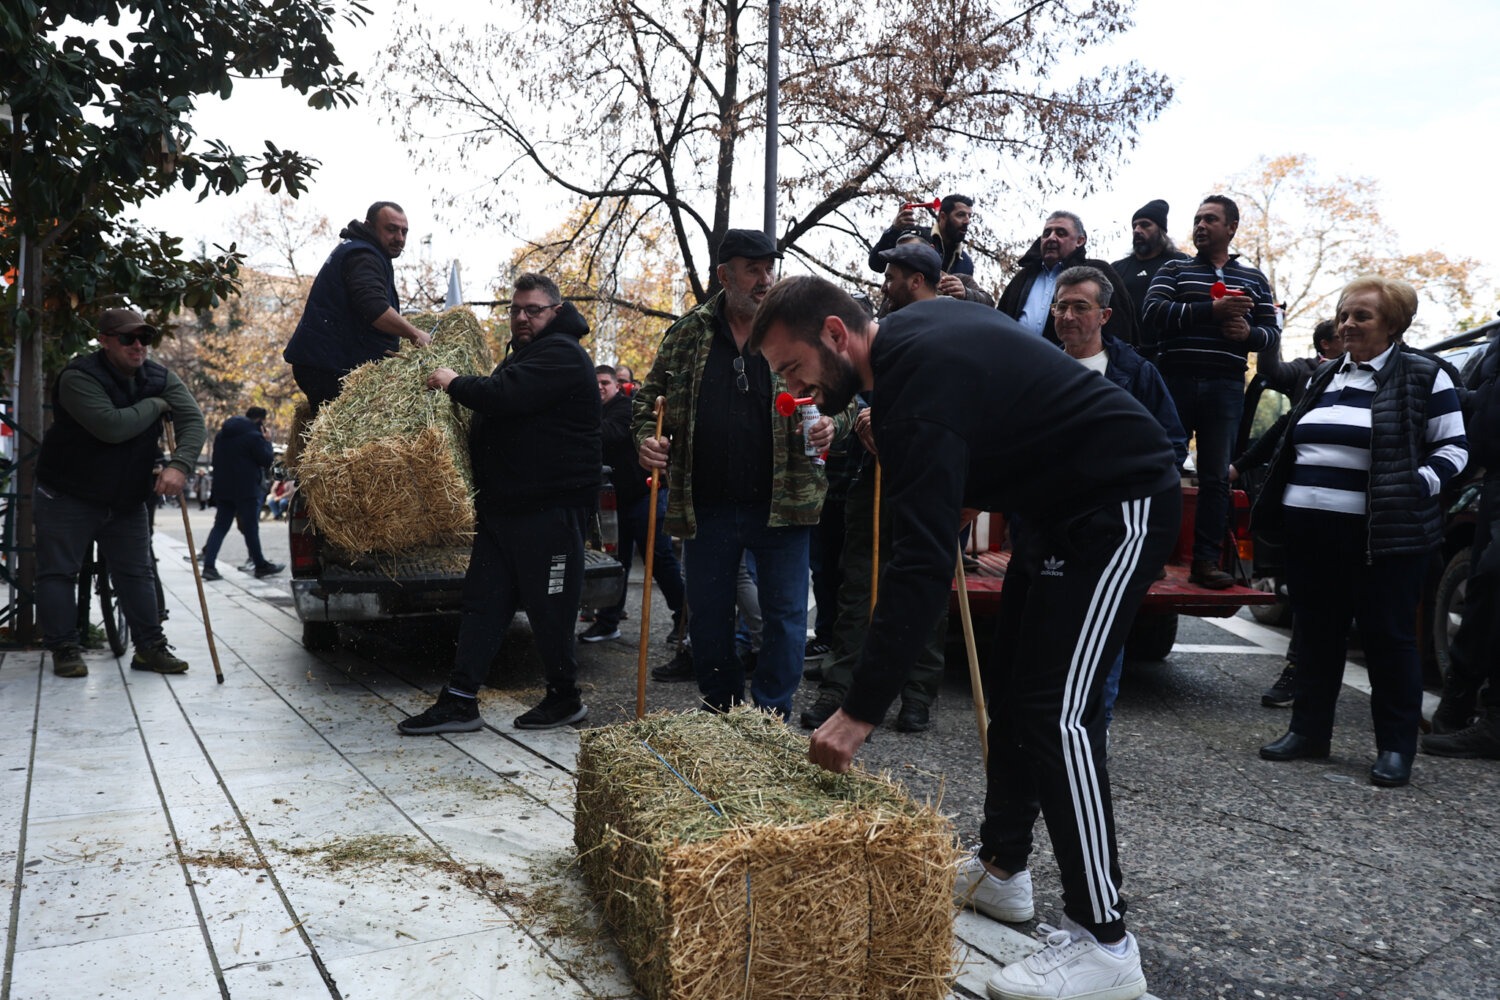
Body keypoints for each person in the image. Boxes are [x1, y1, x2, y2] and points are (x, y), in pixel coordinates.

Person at [751, 276, 1180, 1000]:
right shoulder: (914, 342)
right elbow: (1000, 409)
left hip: (1120, 500)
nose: (791, 386)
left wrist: (859, 711)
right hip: (1055, 509)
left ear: (834, 334)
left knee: (1058, 714)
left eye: (792, 368)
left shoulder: (913, 380)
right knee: (1016, 699)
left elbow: (917, 569)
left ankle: (1105, 944)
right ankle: (1003, 870)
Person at [1253, 276, 1467, 788]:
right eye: (1344, 314)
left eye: (1361, 316)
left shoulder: (1424, 374)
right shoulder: (1326, 375)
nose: (1347, 323)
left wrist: (1414, 484)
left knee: (1388, 639)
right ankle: (1308, 732)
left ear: (1393, 324)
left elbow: (1454, 449)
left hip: (1383, 535)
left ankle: (1395, 747)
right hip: (1311, 532)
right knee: (1316, 633)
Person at [634, 228, 843, 718]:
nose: (764, 278)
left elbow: (844, 398)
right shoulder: (686, 335)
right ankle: (722, 714)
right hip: (705, 506)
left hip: (784, 504)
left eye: (769, 267)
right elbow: (648, 403)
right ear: (724, 275)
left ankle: (771, 718)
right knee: (707, 620)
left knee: (787, 621)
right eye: (752, 269)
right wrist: (646, 439)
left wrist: (835, 423)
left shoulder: (800, 332)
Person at [399, 273, 602, 733]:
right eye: (516, 310)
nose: (523, 317)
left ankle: (564, 699)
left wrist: (452, 382)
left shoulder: (563, 354)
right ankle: (459, 700)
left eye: (533, 310)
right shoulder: (528, 353)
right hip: (506, 508)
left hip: (549, 509)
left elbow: (503, 397)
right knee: (483, 604)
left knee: (551, 609)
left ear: (556, 311)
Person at [802, 243, 955, 734]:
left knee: (925, 582)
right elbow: (855, 387)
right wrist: (865, 414)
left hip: (930, 473)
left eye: (893, 275)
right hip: (874, 472)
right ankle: (840, 685)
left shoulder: (954, 325)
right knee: (858, 581)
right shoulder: (879, 332)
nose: (885, 283)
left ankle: (917, 692)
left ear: (917, 280)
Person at [1050, 265, 1188, 730]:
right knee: (1045, 638)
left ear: (1105, 314)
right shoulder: (1037, 366)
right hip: (1048, 527)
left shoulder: (1136, 373)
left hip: (1113, 528)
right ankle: (1044, 739)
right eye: (1060, 306)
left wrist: (1117, 477)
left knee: (1102, 638)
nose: (1067, 316)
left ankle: (1092, 737)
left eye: (1080, 307)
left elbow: (1171, 445)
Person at [33, 308, 207, 677]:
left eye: (145, 338)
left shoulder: (160, 375)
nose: (139, 345)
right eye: (129, 338)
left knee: (136, 573)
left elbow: (192, 420)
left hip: (126, 495)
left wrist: (180, 465)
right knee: (58, 572)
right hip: (68, 492)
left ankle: (149, 648)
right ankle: (64, 648)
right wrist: (156, 405)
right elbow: (112, 426)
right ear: (106, 340)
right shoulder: (78, 377)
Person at [1144, 195, 1279, 589]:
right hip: (1175, 381)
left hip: (1225, 387)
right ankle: (1151, 558)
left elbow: (1272, 334)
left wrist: (1248, 333)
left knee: (1216, 477)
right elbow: (1152, 316)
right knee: (1163, 468)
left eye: (1210, 219)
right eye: (1197, 219)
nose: (1200, 225)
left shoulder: (1254, 279)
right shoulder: (1174, 268)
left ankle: (1205, 562)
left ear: (1231, 227)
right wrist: (1211, 311)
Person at [1238, 317, 1343, 709]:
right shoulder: (1309, 374)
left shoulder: (1399, 374)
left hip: (1365, 510)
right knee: (1307, 593)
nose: (1350, 336)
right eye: (1342, 331)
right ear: (1325, 345)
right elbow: (1282, 417)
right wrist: (1270, 326)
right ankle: (1299, 674)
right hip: (1308, 501)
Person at [282, 201, 434, 414]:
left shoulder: (362, 250)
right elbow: (375, 309)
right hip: (329, 367)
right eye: (391, 229)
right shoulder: (363, 256)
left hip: (327, 363)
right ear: (370, 226)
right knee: (341, 441)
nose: (399, 238)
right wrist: (414, 334)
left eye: (404, 231)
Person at [1424, 332, 1500, 755]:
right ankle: (1457, 704)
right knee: (1482, 592)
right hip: (1491, 478)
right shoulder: (1495, 341)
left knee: (1493, 578)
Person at [578, 365, 685, 644]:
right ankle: (608, 622)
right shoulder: (595, 410)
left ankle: (684, 619)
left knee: (659, 558)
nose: (599, 387)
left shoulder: (624, 408)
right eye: (595, 383)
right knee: (617, 562)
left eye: (604, 382)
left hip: (644, 496)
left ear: (616, 385)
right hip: (616, 502)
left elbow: (609, 433)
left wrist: (573, 421)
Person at [997, 211, 1138, 348]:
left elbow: (1121, 325)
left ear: (1080, 241)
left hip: (1075, 367)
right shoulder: (1023, 278)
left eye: (1061, 233)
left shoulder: (1097, 273)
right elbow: (1001, 319)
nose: (1051, 238)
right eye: (1046, 233)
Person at [199, 407, 285, 581]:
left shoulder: (222, 435)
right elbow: (267, 459)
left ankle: (209, 566)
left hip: (223, 488)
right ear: (260, 420)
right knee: (251, 527)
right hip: (246, 489)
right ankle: (260, 565)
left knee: (220, 526)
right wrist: (267, 441)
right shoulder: (254, 437)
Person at [867, 194, 992, 304]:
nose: (967, 221)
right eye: (960, 215)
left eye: (969, 216)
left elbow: (982, 302)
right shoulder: (915, 238)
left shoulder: (966, 262)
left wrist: (966, 293)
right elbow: (877, 263)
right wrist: (894, 230)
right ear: (942, 217)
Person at [1108, 199, 1189, 357]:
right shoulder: (1117, 268)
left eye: (1145, 225)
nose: (1137, 230)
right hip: (1126, 354)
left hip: (1170, 356)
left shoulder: (1182, 263)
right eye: (1134, 226)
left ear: (1161, 230)